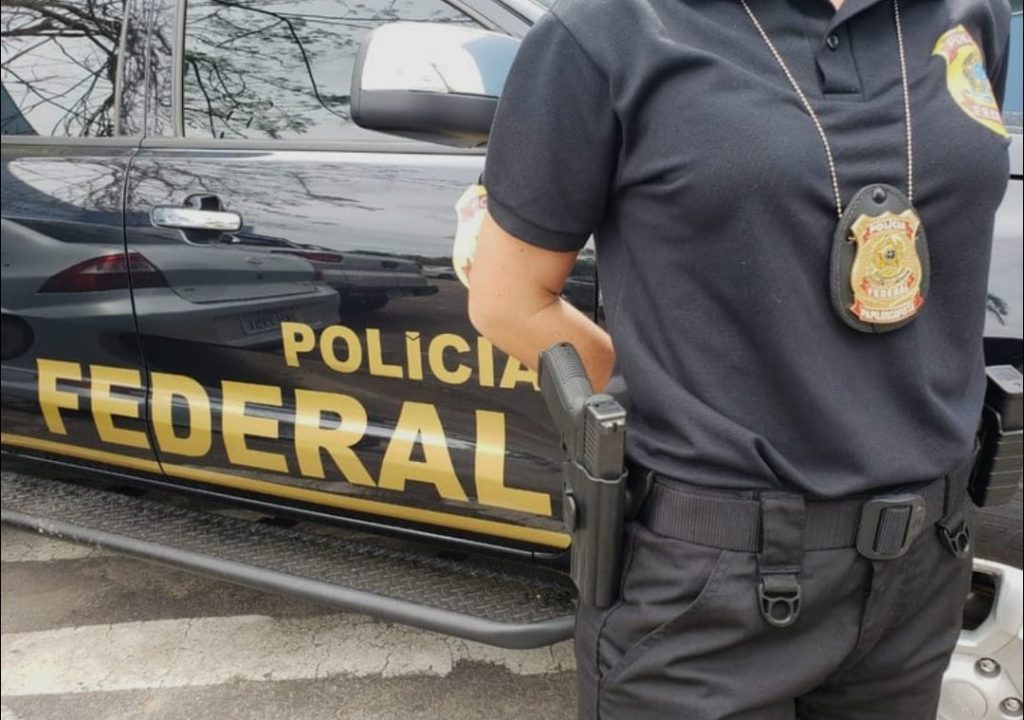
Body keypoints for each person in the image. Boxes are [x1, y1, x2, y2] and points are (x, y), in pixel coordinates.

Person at [467, 0, 1013, 717]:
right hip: (709, 592)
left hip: (922, 571)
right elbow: (508, 299)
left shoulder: (972, 13)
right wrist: (676, 405)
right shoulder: (607, 31)